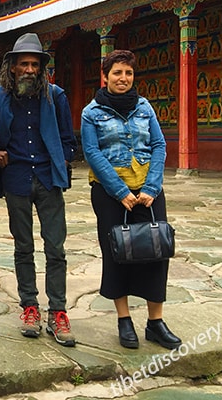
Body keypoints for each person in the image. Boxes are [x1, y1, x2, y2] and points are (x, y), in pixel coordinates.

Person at [81, 49, 181, 351]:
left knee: (156, 250)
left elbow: (159, 144)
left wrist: (152, 186)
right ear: (106, 76)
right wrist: (120, 191)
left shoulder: (144, 107)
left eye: (128, 73)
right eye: (117, 73)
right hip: (111, 194)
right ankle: (124, 320)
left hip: (149, 192)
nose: (123, 78)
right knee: (117, 253)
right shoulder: (91, 112)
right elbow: (93, 153)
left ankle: (155, 322)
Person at [0, 32, 77, 347]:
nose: (28, 69)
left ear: (41, 68)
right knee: (23, 247)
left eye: (34, 64)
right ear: (12, 67)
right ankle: (29, 306)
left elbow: (68, 139)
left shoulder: (56, 96)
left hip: (48, 180)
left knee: (56, 248)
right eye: (23, 63)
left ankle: (58, 311)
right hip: (16, 180)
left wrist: (63, 160)